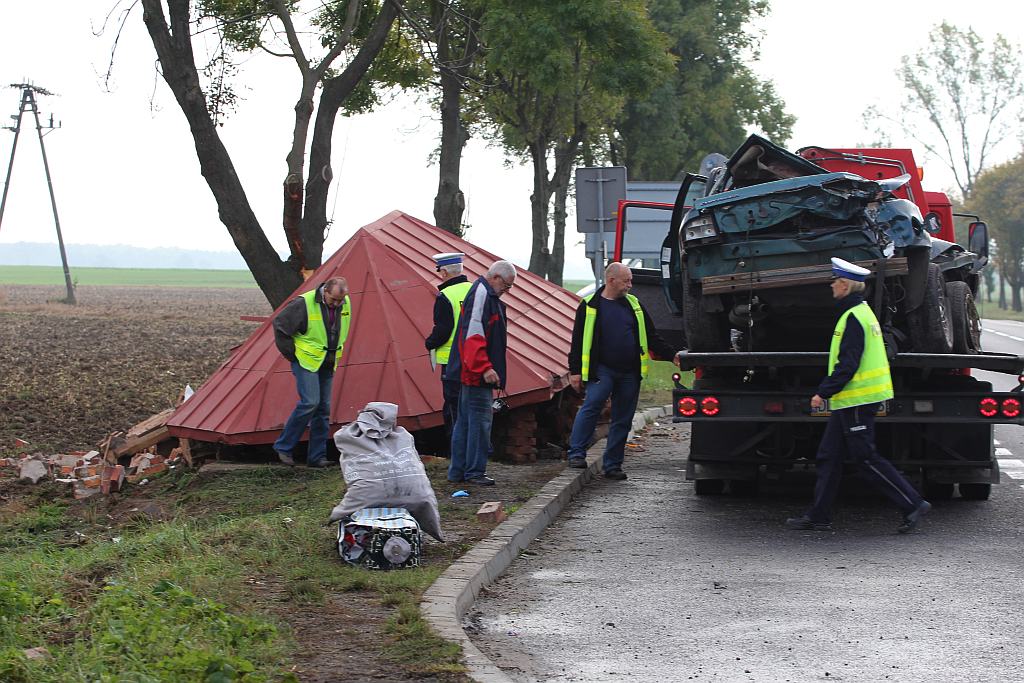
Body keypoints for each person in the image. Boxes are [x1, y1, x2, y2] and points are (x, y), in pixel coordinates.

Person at [786, 258, 931, 533]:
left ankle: (912, 503)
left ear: (844, 285)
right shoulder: (859, 312)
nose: (831, 285)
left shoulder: (853, 317)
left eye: (834, 281)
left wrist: (823, 393)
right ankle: (819, 515)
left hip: (857, 400)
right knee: (829, 456)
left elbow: (848, 364)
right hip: (850, 401)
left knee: (865, 458)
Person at [565, 262, 679, 480]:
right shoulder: (590, 305)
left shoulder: (633, 304)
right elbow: (577, 341)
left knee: (623, 418)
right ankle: (576, 454)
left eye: (630, 280)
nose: (630, 285)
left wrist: (672, 355)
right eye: (626, 281)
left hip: (630, 372)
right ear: (611, 280)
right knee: (592, 404)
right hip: (601, 370)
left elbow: (652, 336)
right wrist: (575, 371)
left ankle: (613, 465)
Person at [445, 260, 516, 486]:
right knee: (479, 422)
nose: (507, 291)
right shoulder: (483, 295)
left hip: (469, 371)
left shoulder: (484, 294)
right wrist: (484, 367)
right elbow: (473, 334)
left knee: (465, 423)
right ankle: (475, 471)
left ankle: (458, 471)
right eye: (506, 285)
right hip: (475, 374)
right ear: (495, 277)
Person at [272, 276, 351, 468]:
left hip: (328, 361)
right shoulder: (303, 303)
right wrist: (293, 356)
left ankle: (317, 458)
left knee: (323, 409)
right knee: (310, 402)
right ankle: (283, 447)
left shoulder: (344, 302)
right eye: (334, 300)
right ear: (325, 291)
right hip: (306, 360)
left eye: (341, 301)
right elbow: (280, 325)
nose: (338, 304)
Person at [424, 252, 472, 455]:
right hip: (476, 359)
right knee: (472, 406)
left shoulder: (446, 296)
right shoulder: (474, 290)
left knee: (453, 408)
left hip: (452, 360)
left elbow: (443, 329)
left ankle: (456, 453)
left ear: (444, 272)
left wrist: (430, 343)